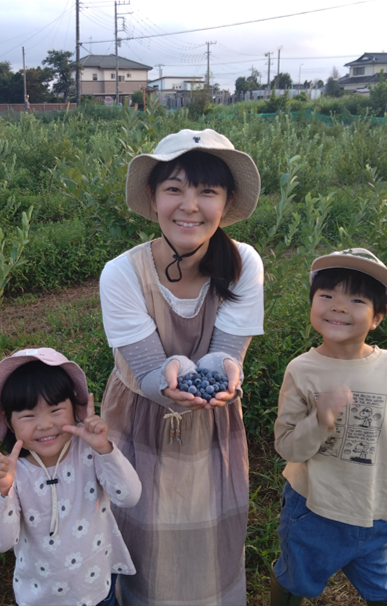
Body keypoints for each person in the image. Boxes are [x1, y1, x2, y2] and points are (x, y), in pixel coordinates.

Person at [99, 129, 265, 605]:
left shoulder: (243, 263)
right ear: (153, 199)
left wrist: (221, 368)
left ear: (226, 201)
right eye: (174, 188)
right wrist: (172, 374)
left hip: (211, 426)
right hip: (140, 421)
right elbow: (151, 373)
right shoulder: (122, 273)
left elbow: (225, 355)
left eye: (206, 191)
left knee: (210, 537)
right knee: (143, 535)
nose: (189, 205)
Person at [272, 249, 387, 606]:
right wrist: (319, 420)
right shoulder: (302, 370)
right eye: (327, 295)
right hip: (312, 511)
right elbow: (287, 446)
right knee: (296, 578)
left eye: (356, 299)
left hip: (374, 511)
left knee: (383, 591)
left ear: (377, 318)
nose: (339, 306)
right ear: (312, 304)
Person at [0, 348, 142, 606]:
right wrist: (2, 490)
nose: (45, 425)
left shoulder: (89, 451)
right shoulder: (15, 473)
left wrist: (104, 449)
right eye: (28, 416)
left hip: (97, 588)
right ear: (9, 423)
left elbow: (129, 496)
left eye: (56, 410)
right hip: (41, 598)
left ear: (75, 408)